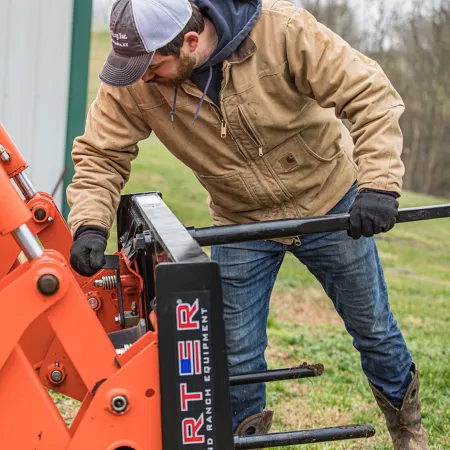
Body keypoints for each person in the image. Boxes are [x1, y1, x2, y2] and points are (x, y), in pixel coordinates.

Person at [67, 0, 428, 448]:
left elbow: (369, 94)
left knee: (374, 329)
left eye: (152, 66)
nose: (142, 77)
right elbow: (101, 155)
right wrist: (88, 224)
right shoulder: (136, 78)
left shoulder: (282, 31)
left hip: (330, 202)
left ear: (191, 42)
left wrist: (378, 185)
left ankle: (407, 430)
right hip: (241, 219)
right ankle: (243, 440)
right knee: (233, 355)